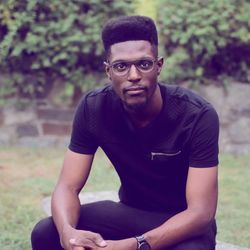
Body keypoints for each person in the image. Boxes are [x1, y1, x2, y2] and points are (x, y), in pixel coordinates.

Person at [31, 15, 219, 250]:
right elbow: (67, 187)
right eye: (121, 66)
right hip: (130, 212)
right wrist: (68, 233)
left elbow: (201, 213)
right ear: (108, 71)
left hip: (183, 223)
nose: (133, 76)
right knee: (46, 232)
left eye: (144, 64)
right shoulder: (94, 108)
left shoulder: (196, 115)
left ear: (158, 66)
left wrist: (134, 245)